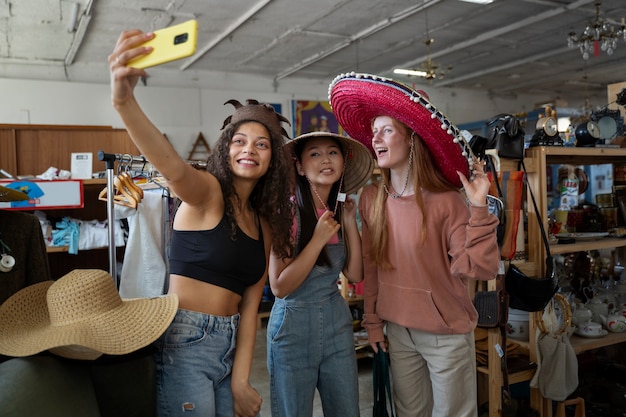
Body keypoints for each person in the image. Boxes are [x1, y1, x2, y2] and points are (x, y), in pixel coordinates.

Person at [108, 29, 294, 417]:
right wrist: (124, 101)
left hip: (228, 348)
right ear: (225, 149)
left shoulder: (262, 224)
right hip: (185, 342)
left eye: (261, 144)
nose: (249, 149)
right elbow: (171, 166)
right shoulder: (208, 193)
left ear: (272, 160)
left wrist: (241, 380)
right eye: (239, 140)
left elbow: (248, 309)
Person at [329, 73, 501, 417]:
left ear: (411, 139)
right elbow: (373, 268)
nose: (374, 137)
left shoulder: (446, 201)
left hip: (446, 334)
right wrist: (373, 323)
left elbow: (479, 269)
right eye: (373, 130)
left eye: (386, 130)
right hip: (398, 329)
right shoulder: (372, 198)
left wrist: (479, 207)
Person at [267, 131, 374, 417]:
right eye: (314, 153)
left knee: (346, 410)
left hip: (336, 323)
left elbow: (354, 273)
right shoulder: (287, 212)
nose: (325, 159)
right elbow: (279, 287)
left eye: (333, 152)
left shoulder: (338, 211)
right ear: (300, 167)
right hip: (293, 324)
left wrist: (349, 222)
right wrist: (316, 240)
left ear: (343, 162)